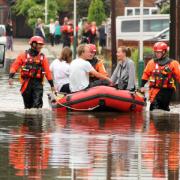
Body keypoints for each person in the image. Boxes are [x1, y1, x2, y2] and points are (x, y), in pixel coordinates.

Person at [8, 36, 55, 109]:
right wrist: (10, 77)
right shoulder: (23, 56)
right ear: (33, 44)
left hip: (38, 84)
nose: (41, 46)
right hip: (26, 84)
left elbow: (47, 72)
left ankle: (37, 118)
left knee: (37, 106)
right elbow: (14, 66)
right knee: (27, 107)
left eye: (41, 44)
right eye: (39, 44)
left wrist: (52, 85)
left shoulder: (43, 58)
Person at [140, 42, 180, 111]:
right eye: (156, 52)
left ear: (164, 52)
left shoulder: (173, 63)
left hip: (167, 90)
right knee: (155, 110)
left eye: (159, 52)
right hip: (154, 90)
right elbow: (146, 74)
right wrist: (142, 86)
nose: (157, 54)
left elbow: (179, 76)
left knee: (156, 109)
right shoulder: (151, 63)